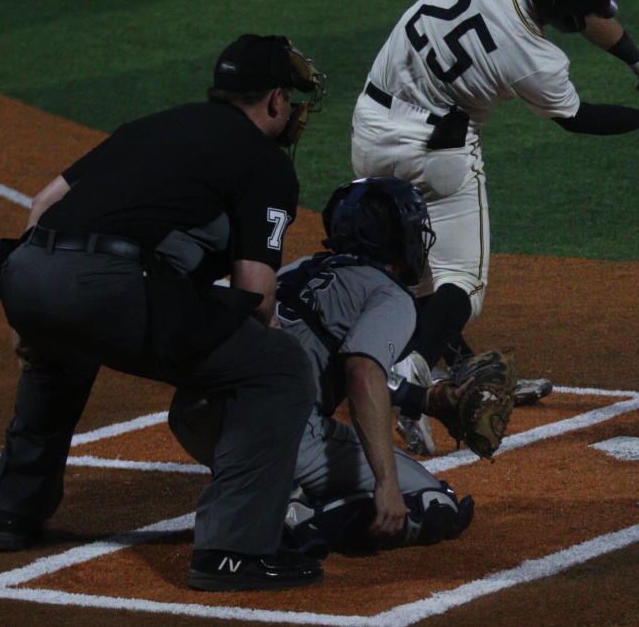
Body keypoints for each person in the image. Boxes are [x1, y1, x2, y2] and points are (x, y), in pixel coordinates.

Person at [0, 34, 329, 592]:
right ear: (276, 100)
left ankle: (13, 513)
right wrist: (260, 336)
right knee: (278, 367)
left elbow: (43, 205)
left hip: (25, 272)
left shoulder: (153, 124)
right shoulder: (264, 161)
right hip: (106, 287)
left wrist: (28, 320)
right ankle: (232, 553)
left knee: (62, 346)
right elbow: (256, 294)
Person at [350, 0, 639, 454]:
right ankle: (410, 379)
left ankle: (463, 372)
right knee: (461, 283)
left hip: (370, 127)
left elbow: (578, 10)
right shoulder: (535, 59)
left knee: (420, 277)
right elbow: (575, 119)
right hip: (436, 153)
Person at [170, 176, 475, 557]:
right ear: (399, 238)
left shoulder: (297, 269)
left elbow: (326, 357)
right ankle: (294, 519)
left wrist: (423, 398)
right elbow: (362, 371)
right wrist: (385, 483)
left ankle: (274, 491)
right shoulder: (389, 294)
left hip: (193, 416)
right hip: (273, 429)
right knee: (435, 503)